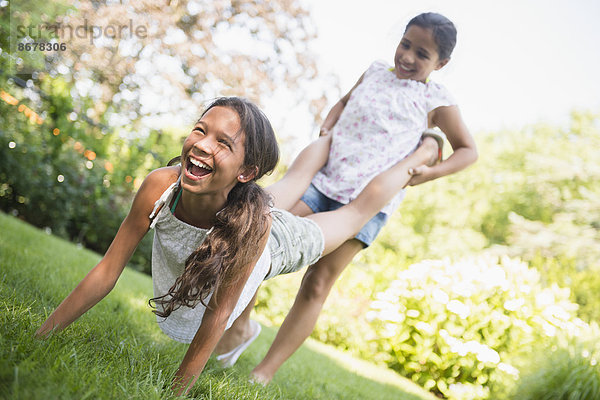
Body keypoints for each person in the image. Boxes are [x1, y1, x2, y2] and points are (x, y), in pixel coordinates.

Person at [35, 96, 441, 395]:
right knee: (297, 178)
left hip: (273, 238)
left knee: (355, 212)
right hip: (240, 203)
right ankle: (331, 137)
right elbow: (108, 269)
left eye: (223, 143)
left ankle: (419, 152)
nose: (202, 145)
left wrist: (175, 393)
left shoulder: (254, 224)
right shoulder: (162, 184)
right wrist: (44, 334)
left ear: (247, 170)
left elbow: (218, 314)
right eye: (200, 129)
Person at [249, 12, 478, 384]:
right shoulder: (374, 71)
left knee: (317, 284)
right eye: (405, 44)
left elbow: (468, 150)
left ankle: (264, 372)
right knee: (260, 237)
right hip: (323, 181)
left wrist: (431, 172)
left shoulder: (435, 99)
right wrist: (328, 124)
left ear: (442, 63)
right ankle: (239, 326)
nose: (407, 57)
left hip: (368, 203)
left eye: (422, 54)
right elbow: (342, 103)